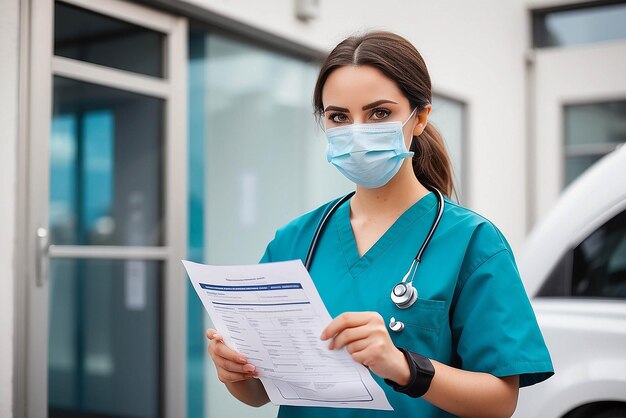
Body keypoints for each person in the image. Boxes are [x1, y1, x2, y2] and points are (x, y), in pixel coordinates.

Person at [205, 31, 553, 417]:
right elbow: (259, 394)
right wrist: (234, 373)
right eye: (339, 116)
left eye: (380, 113)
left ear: (419, 118)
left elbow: (500, 402)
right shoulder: (293, 242)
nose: (356, 131)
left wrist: (404, 367)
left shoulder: (473, 244)